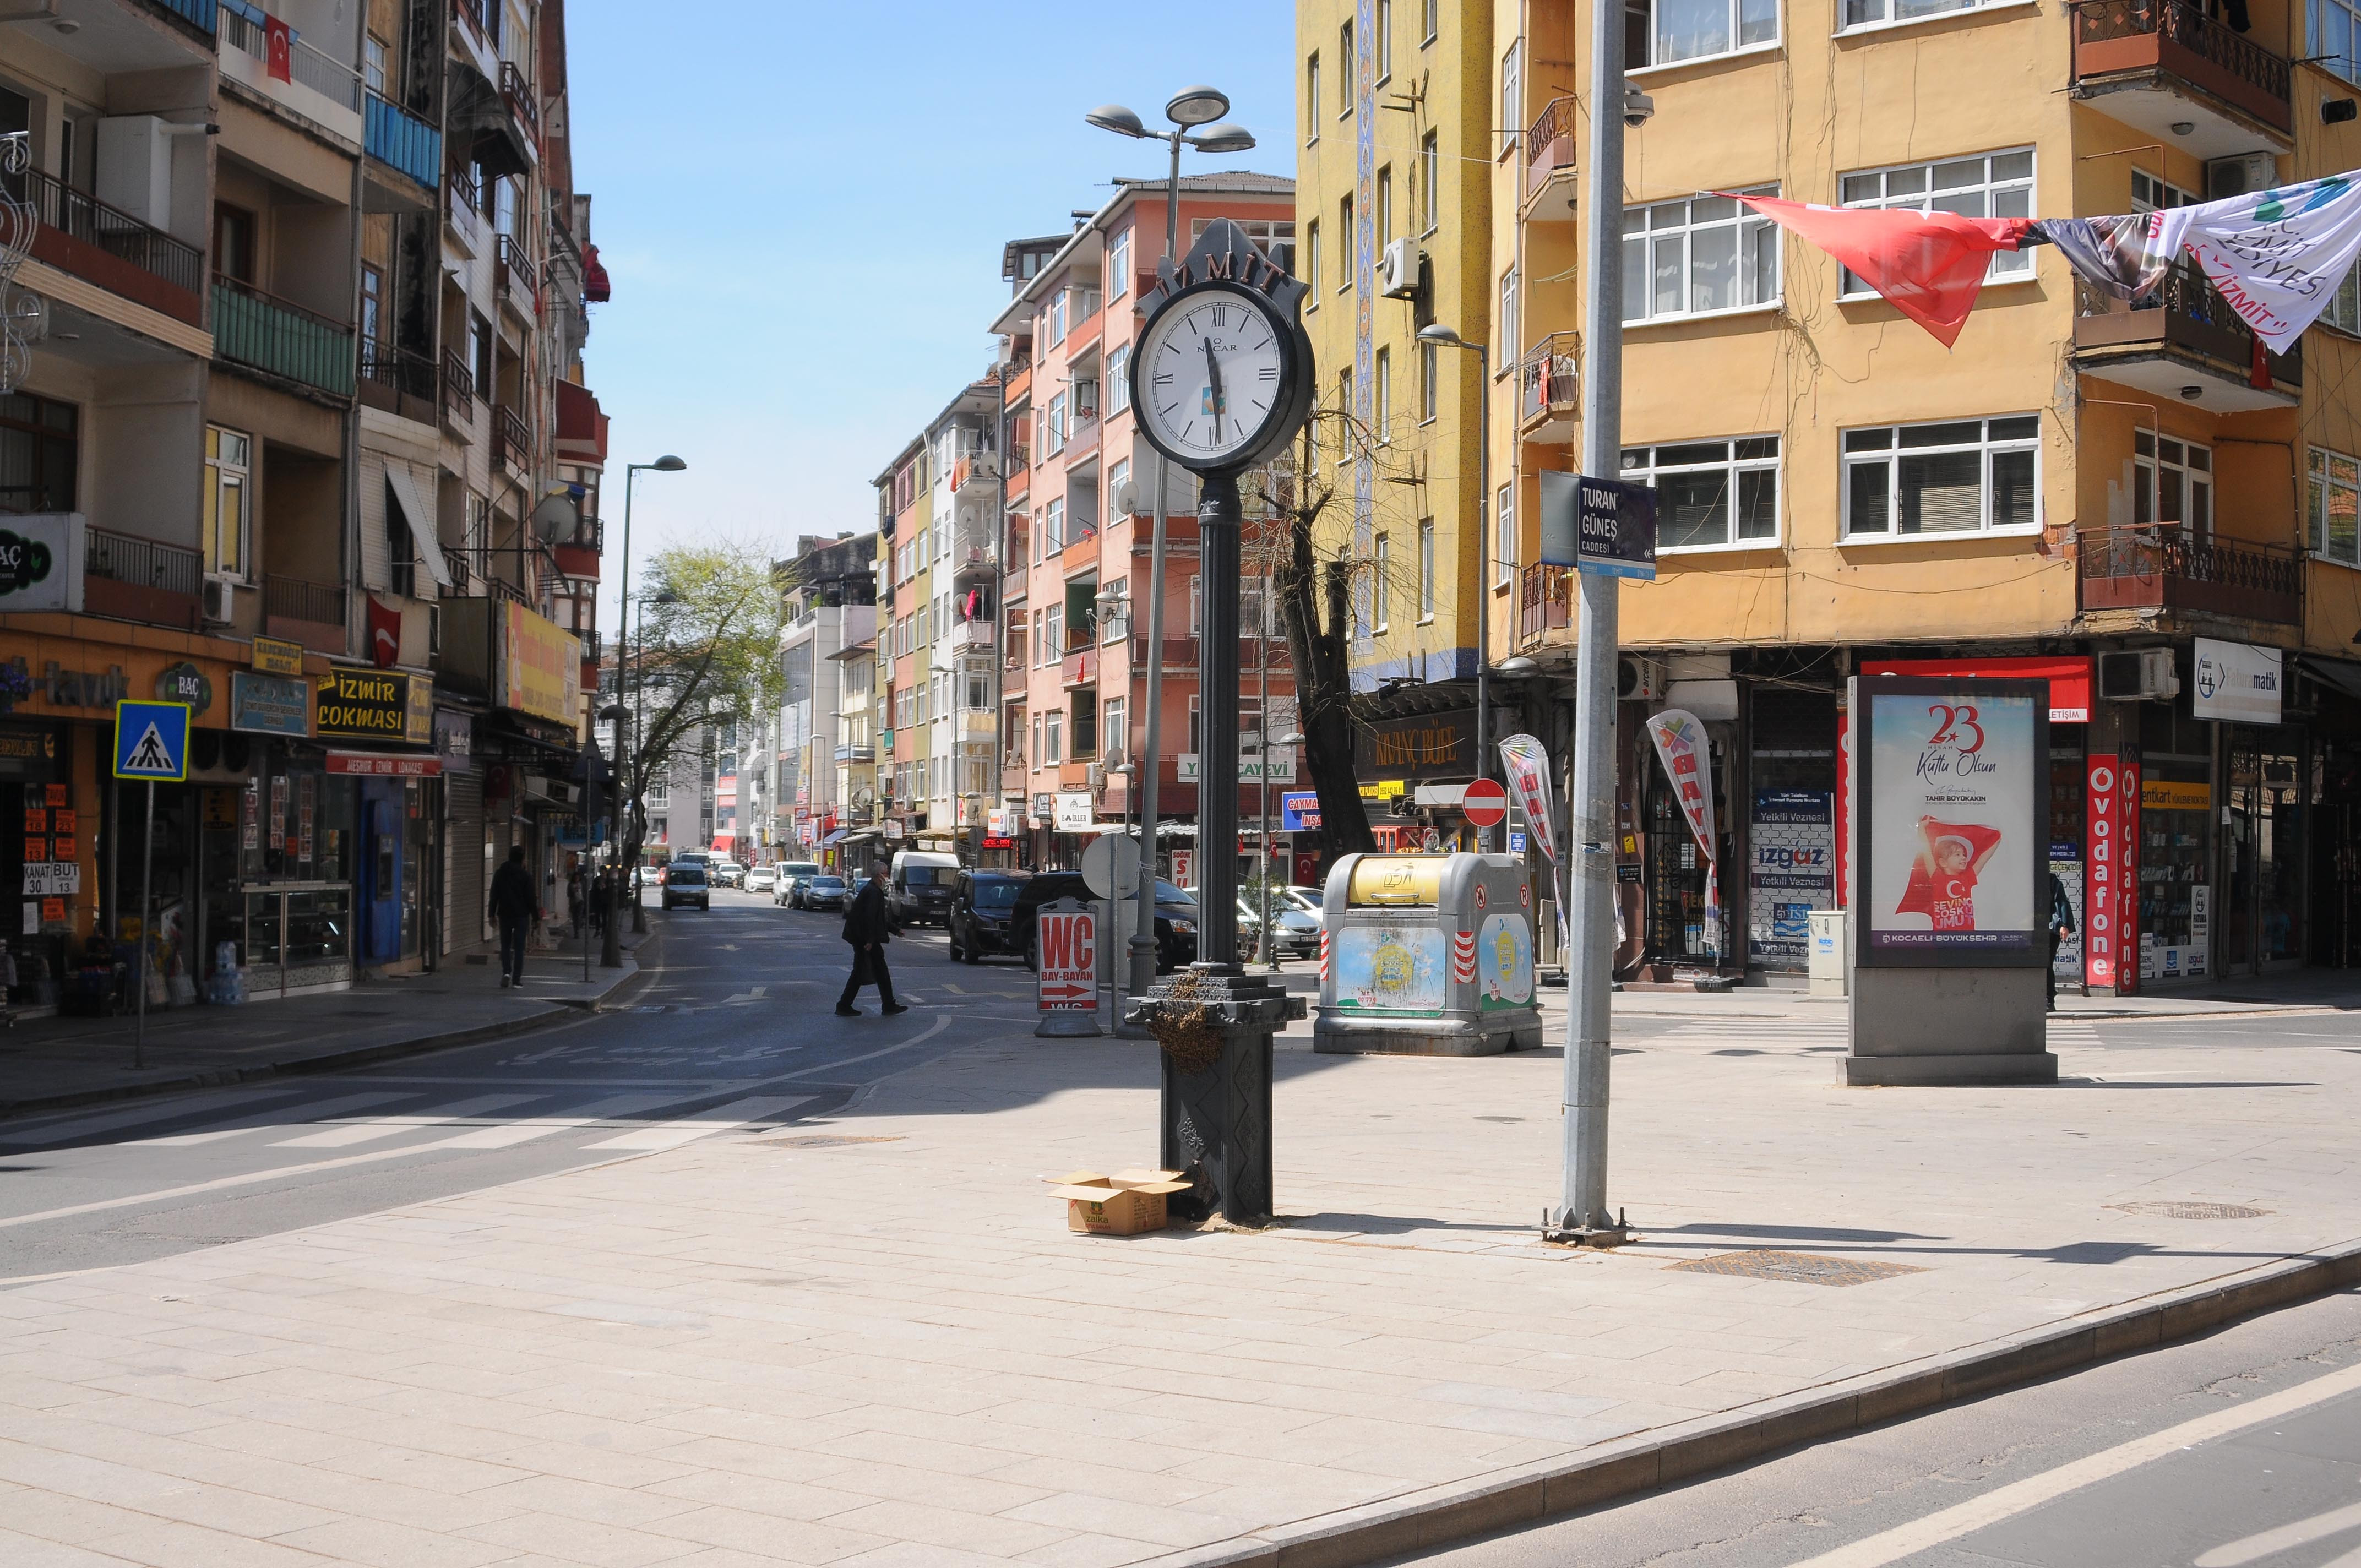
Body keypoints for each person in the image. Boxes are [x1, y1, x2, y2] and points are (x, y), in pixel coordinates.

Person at [837, 860, 906, 1017]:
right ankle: (844, 1005)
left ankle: (888, 1004)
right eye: (886, 874)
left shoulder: (873, 890)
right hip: (864, 939)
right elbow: (869, 918)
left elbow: (878, 918)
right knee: (861, 972)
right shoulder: (873, 892)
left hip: (865, 937)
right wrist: (869, 940)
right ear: (878, 876)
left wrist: (895, 930)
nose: (888, 877)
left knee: (880, 971)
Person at [488, 845, 535, 989]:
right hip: (521, 915)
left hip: (505, 914)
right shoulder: (526, 876)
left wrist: (491, 914)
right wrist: (536, 917)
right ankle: (516, 980)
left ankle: (506, 972)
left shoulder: (500, 873)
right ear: (522, 859)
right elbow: (530, 898)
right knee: (520, 947)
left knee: (506, 945)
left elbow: (494, 894)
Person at [2047, 870, 2076, 1011]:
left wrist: (2064, 925)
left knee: (2047, 964)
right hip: (2035, 928)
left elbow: (2062, 903)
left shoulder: (2053, 883)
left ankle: (2049, 1000)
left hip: (2050, 929)